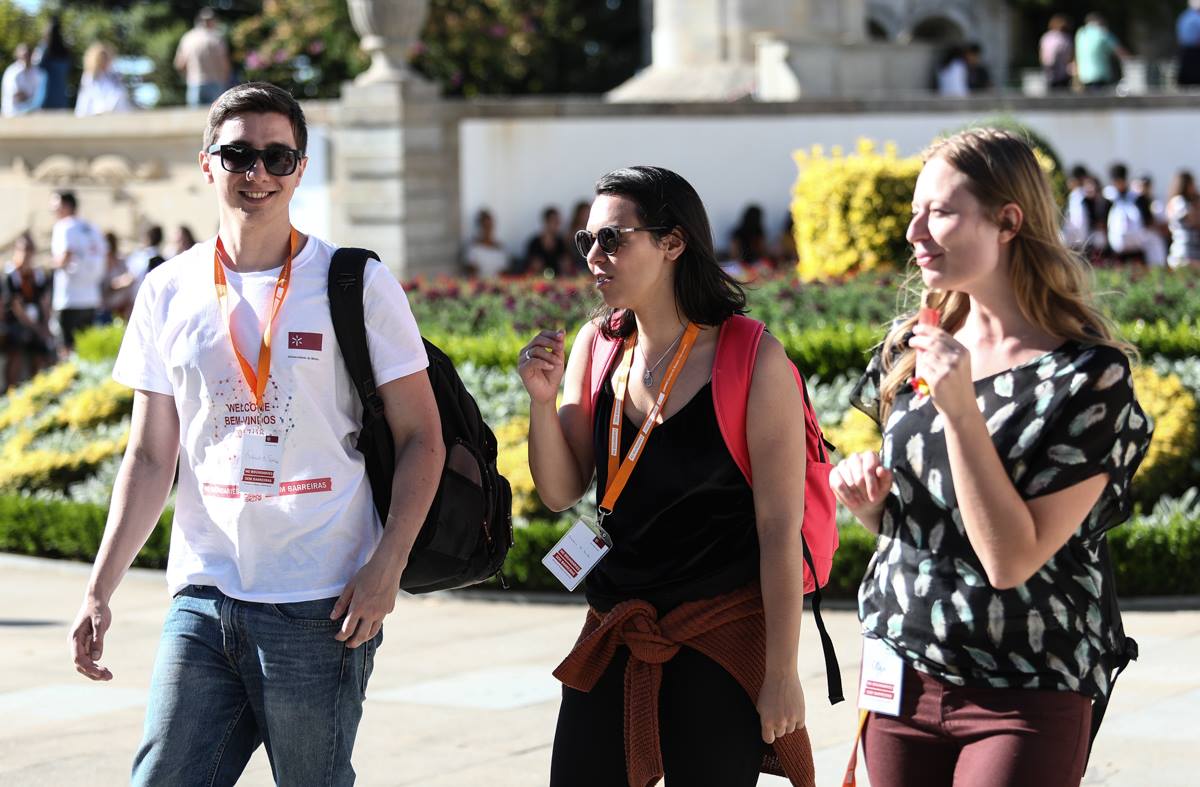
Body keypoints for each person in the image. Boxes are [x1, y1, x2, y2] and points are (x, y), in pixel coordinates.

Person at [67, 81, 444, 786]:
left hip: (320, 599)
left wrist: (385, 568)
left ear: (302, 167)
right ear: (207, 164)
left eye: (277, 156)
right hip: (205, 593)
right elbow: (151, 455)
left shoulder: (353, 282)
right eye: (239, 154)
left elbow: (424, 435)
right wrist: (99, 587)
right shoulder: (168, 288)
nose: (258, 173)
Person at [832, 128, 1152, 787]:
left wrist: (961, 410)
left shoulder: (1087, 378)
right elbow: (927, 526)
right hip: (901, 667)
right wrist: (871, 509)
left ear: (1008, 220)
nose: (916, 231)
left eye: (940, 212)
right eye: (915, 212)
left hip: (1024, 687)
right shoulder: (912, 345)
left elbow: (1009, 559)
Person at [520, 165, 815, 786]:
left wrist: (783, 673)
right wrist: (541, 403)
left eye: (613, 239)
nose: (594, 257)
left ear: (673, 243)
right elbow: (560, 490)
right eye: (587, 241)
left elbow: (779, 531)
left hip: (718, 630)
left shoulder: (753, 358)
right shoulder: (597, 345)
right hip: (615, 622)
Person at [49, 190, 105, 354]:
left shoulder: (64, 227)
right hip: (91, 297)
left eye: (55, 205)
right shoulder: (91, 227)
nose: (52, 210)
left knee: (66, 348)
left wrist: (51, 266)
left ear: (66, 206)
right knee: (85, 348)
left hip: (69, 298)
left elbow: (65, 256)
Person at [3, 232, 54, 390]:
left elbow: (44, 302)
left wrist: (45, 325)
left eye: (30, 249)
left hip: (35, 323)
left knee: (42, 349)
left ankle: (35, 389)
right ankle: (11, 389)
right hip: (16, 323)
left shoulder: (37, 275)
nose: (27, 254)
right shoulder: (10, 275)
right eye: (24, 249)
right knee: (17, 347)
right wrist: (35, 327)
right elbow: (16, 307)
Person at [175, 8, 232, 107]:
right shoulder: (216, 39)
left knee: (195, 119)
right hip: (216, 83)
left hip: (194, 83)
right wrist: (226, 80)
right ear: (212, 21)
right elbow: (224, 63)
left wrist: (187, 77)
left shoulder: (188, 38)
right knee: (216, 118)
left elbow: (180, 64)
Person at [1104, 163, 1152, 264]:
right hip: (1116, 251)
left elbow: (1148, 221)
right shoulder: (1108, 199)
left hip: (1137, 249)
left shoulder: (1137, 198)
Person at [75, 42, 133, 117]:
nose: (104, 61)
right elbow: (84, 102)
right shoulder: (89, 77)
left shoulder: (114, 76)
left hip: (115, 116)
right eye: (102, 59)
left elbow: (120, 97)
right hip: (95, 117)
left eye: (106, 58)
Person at [1074, 14, 1129, 91]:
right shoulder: (1102, 32)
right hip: (1100, 75)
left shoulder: (1081, 33)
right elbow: (1119, 51)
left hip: (1083, 76)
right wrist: (1131, 61)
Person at [33, 15, 71, 110]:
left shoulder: (45, 50)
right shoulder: (65, 51)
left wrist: (43, 44)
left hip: (47, 95)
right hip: (61, 96)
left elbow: (37, 65)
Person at [1166, 170, 1200, 267]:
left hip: (1191, 251)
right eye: (1192, 184)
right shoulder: (1178, 201)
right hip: (1184, 252)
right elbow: (1193, 219)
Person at [522, 206, 569, 276]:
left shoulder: (561, 242)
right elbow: (532, 266)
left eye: (558, 221)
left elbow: (566, 264)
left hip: (559, 279)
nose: (557, 224)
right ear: (546, 222)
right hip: (537, 280)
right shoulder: (535, 243)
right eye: (554, 221)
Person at [2, 43, 46, 117]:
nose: (26, 58)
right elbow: (16, 96)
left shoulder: (40, 74)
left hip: (32, 113)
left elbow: (38, 98)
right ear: (17, 56)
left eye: (28, 55)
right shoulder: (12, 73)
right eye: (24, 56)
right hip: (12, 113)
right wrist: (29, 97)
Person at [463, 208, 509, 278]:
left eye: (490, 226)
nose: (488, 229)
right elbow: (470, 272)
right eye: (485, 226)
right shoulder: (474, 248)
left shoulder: (500, 248)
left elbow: (504, 272)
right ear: (480, 227)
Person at [101, 231, 136, 322]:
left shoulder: (121, 261)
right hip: (105, 308)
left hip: (122, 307)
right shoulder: (101, 262)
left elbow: (129, 277)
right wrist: (117, 283)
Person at [1039, 15, 1074, 91]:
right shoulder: (1065, 38)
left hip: (1049, 70)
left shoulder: (1046, 37)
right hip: (1061, 70)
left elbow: (1042, 54)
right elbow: (1070, 55)